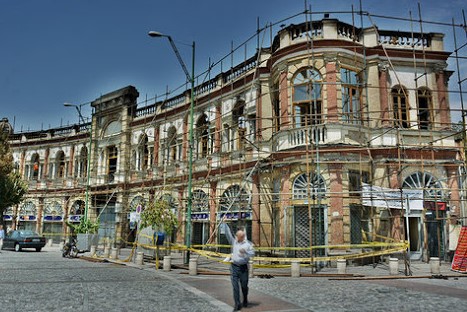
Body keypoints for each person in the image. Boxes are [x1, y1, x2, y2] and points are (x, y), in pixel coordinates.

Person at [221, 222, 255, 311]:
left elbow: (253, 253)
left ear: (243, 237)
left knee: (244, 286)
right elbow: (228, 233)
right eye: (236, 236)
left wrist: (246, 252)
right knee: (235, 287)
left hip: (244, 268)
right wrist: (224, 222)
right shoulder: (234, 242)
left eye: (239, 237)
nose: (237, 238)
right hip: (234, 267)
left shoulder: (247, 244)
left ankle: (245, 298)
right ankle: (237, 304)